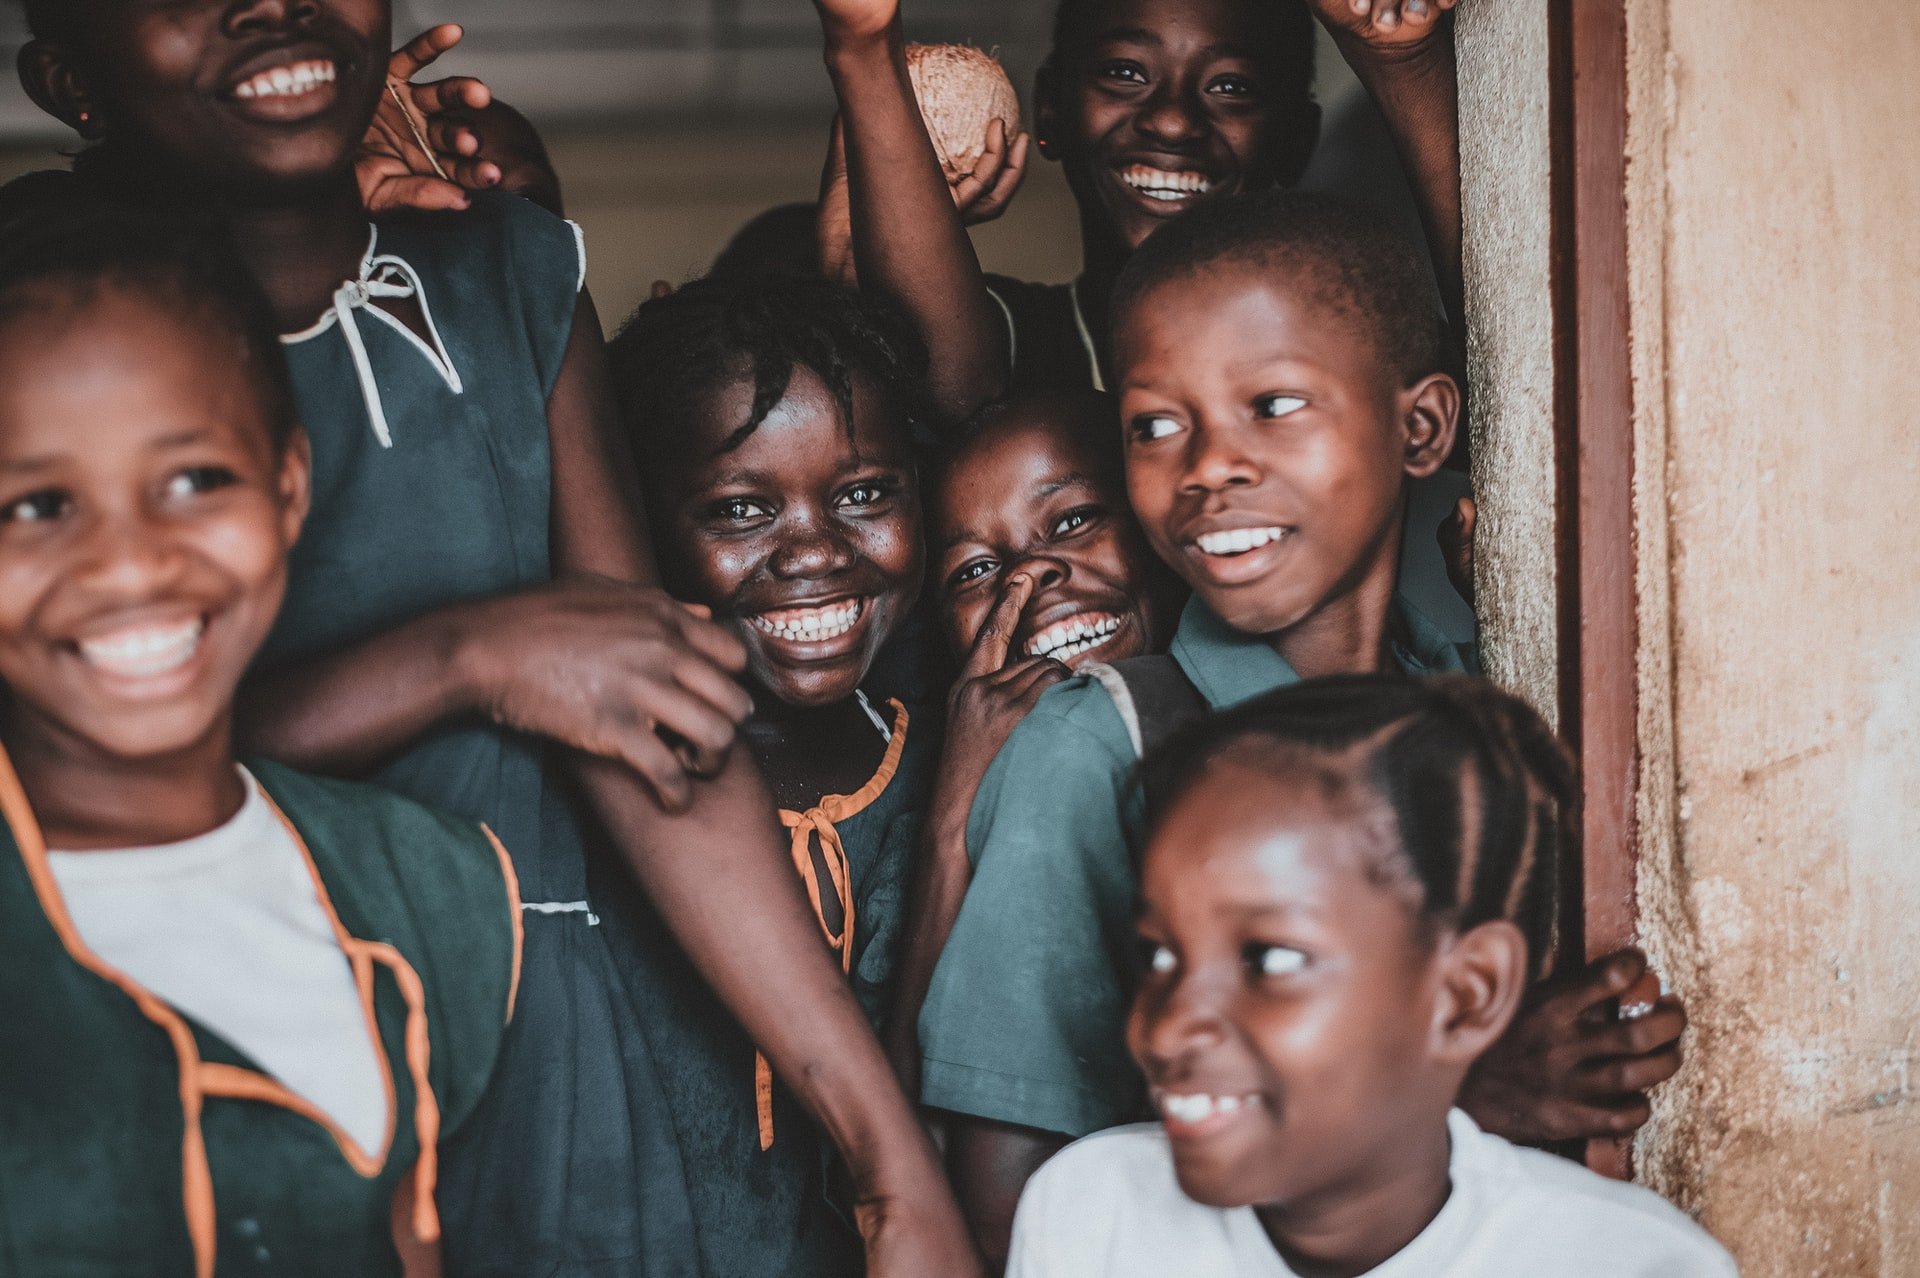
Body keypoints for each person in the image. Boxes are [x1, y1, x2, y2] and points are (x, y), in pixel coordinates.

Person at [10, 4, 976, 1275]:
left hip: (551, 1032)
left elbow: (656, 720)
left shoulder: (506, 273)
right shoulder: (51, 325)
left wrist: (886, 1153)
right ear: (67, 80)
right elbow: (66, 763)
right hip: (202, 996)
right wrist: (470, 658)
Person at [916, 191, 1687, 1267]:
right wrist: (1472, 1101)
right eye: (1154, 424)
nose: (1208, 465)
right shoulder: (1098, 747)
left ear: (1420, 428)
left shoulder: (1476, 699)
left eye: (1272, 404)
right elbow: (1010, 1201)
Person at [0, 183, 519, 1278]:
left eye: (195, 481)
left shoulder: (425, 890)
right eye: (36, 506)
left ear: (289, 487)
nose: (132, 564)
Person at [1005, 675, 1737, 1278]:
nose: (1164, 1030)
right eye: (1162, 956)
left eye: (1271, 960)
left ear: (1464, 996)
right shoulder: (1093, 1213)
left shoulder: (1627, 1265)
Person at [600, 275, 940, 1274]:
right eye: (742, 509)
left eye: (866, 494)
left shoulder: (948, 761)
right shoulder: (604, 797)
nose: (816, 552)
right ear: (642, 525)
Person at [883, 387, 1186, 1084]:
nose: (1027, 573)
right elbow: (909, 1125)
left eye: (1074, 519)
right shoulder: (954, 802)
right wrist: (951, 819)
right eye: (976, 571)